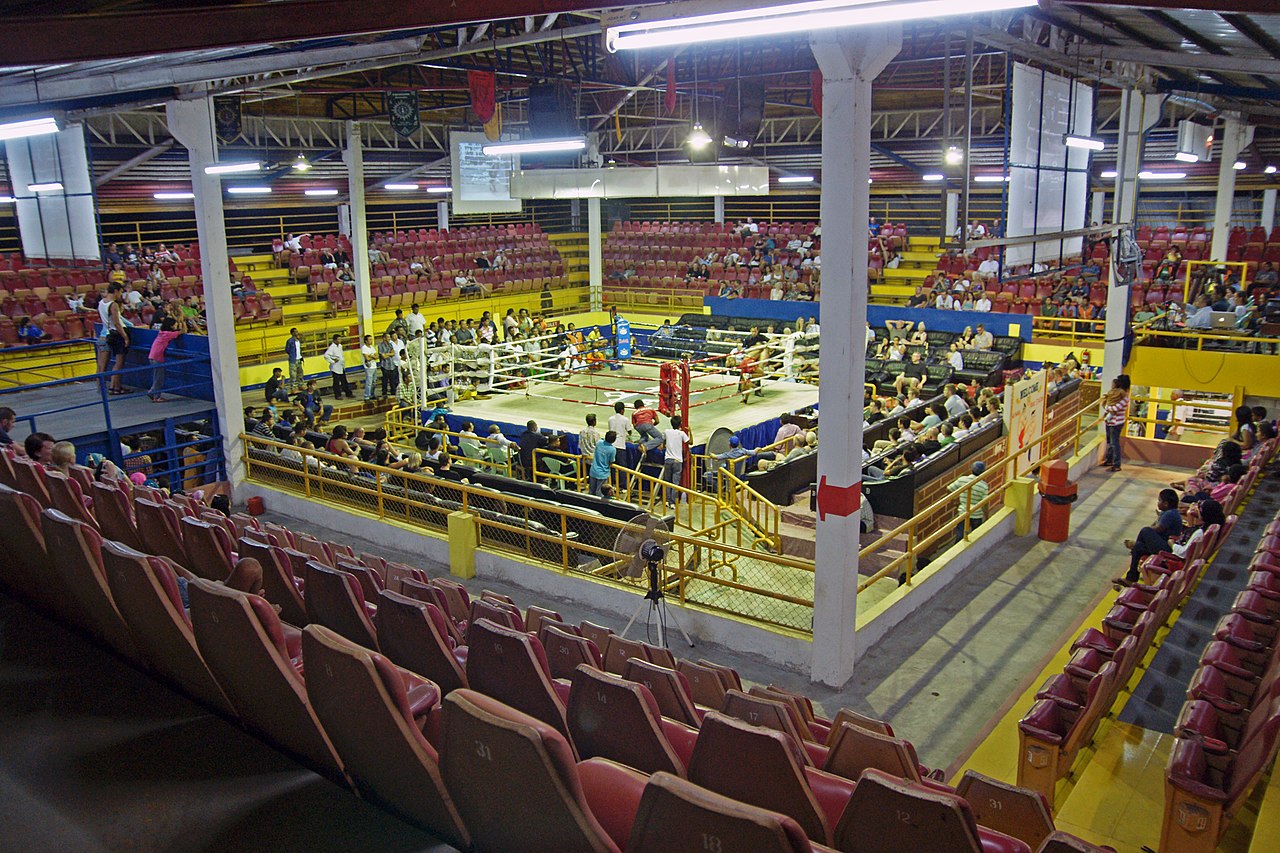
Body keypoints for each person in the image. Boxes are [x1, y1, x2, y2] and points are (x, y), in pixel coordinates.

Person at [1117, 489, 1184, 586]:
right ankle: (1131, 578)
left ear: (1165, 503)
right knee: (1138, 548)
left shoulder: (1170, 514)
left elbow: (1158, 529)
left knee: (1145, 530)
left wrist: (1150, 529)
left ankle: (1135, 544)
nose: (1158, 502)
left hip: (1166, 548)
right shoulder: (1168, 512)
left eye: (1159, 500)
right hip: (1163, 543)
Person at [97, 282, 130, 395]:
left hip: (107, 333)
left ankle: (110, 387)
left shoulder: (101, 303)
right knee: (119, 362)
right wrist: (125, 337)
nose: (121, 294)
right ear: (115, 291)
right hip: (116, 334)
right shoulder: (113, 305)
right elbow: (117, 323)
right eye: (120, 292)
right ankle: (114, 388)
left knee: (103, 365)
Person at [948, 461, 989, 542]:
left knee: (960, 535)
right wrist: (986, 515)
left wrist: (954, 501)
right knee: (977, 535)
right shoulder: (983, 486)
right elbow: (985, 502)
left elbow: (949, 489)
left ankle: (957, 550)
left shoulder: (962, 480)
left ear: (971, 470)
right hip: (977, 514)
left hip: (963, 512)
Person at [147, 316, 185, 402]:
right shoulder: (168, 334)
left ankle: (152, 391)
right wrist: (182, 322)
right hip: (157, 358)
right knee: (159, 378)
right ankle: (156, 397)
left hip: (152, 356)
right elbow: (183, 331)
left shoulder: (162, 332)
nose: (175, 327)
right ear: (171, 326)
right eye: (174, 325)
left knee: (156, 377)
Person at [1102, 377, 1129, 472]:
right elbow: (1107, 407)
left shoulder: (1125, 397)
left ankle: (1117, 464)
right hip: (1110, 422)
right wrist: (1108, 407)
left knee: (1115, 443)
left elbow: (1115, 408)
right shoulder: (1115, 395)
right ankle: (1109, 460)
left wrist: (1108, 407)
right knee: (1109, 441)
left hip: (1117, 423)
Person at [661, 414, 689, 506]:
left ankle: (666, 500)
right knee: (675, 483)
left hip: (668, 460)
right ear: (680, 424)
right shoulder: (681, 433)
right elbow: (690, 442)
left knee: (667, 482)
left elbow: (664, 442)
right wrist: (690, 432)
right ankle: (672, 502)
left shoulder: (667, 431)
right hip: (677, 461)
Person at [324, 334, 353, 399]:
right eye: (338, 339)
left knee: (344, 381)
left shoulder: (340, 346)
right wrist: (333, 361)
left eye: (340, 339)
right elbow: (326, 355)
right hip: (335, 367)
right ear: (334, 340)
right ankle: (337, 395)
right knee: (336, 382)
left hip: (341, 366)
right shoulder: (331, 347)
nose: (339, 341)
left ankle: (348, 393)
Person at [589, 430, 617, 496]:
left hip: (593, 471)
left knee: (591, 491)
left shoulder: (599, 443)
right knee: (600, 492)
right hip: (603, 473)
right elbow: (611, 461)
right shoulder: (612, 449)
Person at [360, 334, 378, 401]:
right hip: (369, 367)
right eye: (370, 339)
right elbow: (367, 358)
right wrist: (372, 356)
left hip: (374, 366)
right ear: (366, 341)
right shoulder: (364, 348)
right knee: (369, 382)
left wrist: (371, 356)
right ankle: (366, 396)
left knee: (374, 382)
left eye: (371, 339)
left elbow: (377, 356)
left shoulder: (372, 347)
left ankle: (372, 394)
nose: (371, 341)